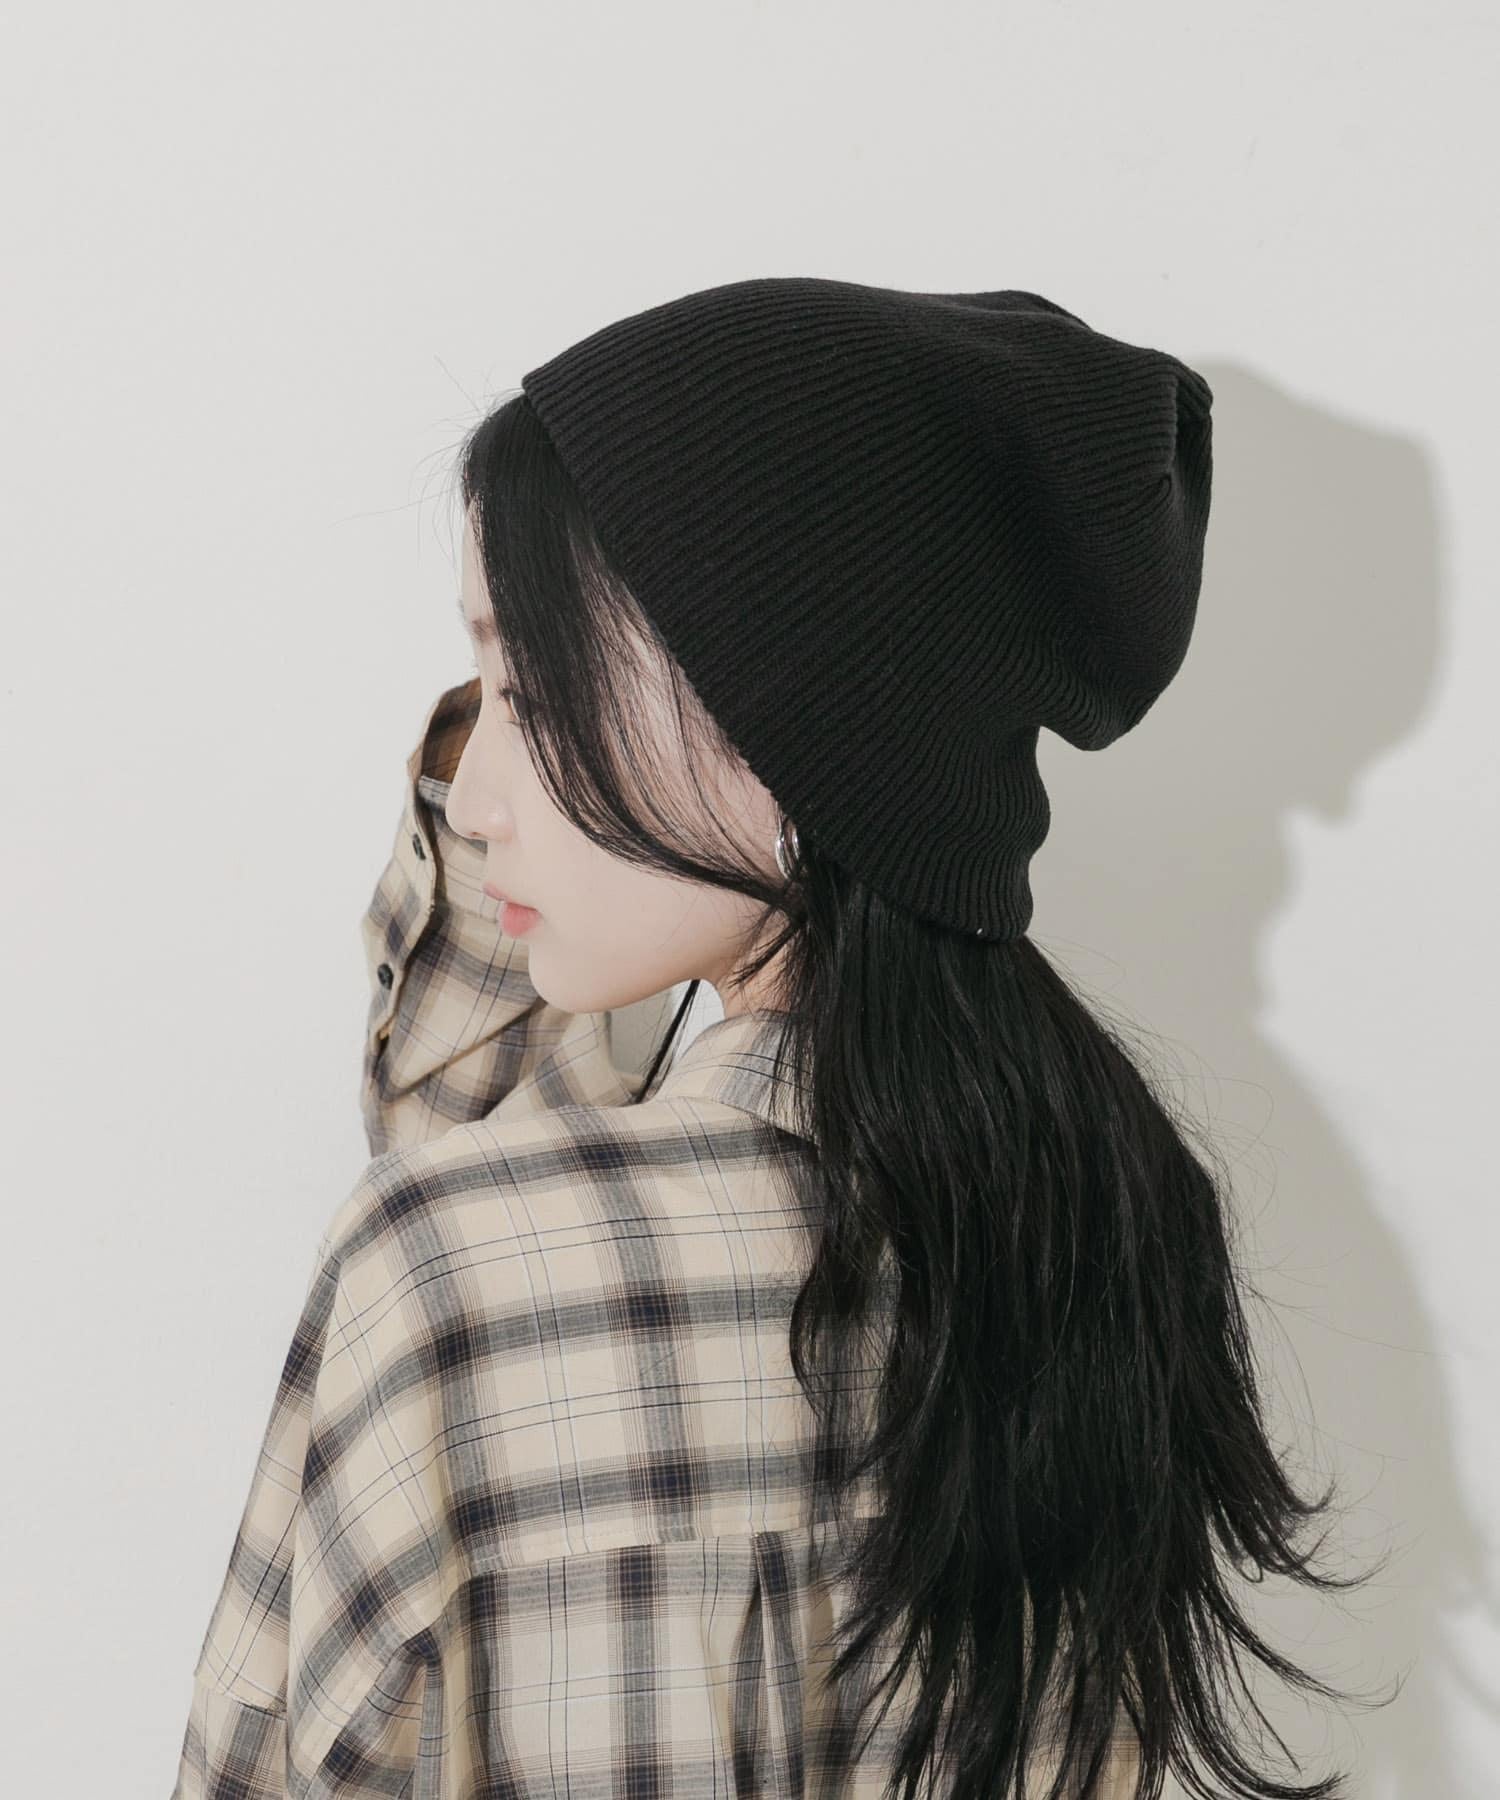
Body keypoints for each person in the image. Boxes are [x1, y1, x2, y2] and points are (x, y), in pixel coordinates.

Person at [170, 279, 1393, 1799]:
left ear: (792, 732)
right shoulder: (1108, 1228)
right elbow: (461, 1125)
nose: (470, 799)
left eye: (532, 691)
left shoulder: (447, 1269)